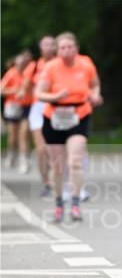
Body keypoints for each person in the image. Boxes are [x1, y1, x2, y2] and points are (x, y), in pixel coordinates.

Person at [36, 32, 103, 223]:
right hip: (54, 116)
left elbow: (95, 84)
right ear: (57, 51)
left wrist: (95, 95)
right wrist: (55, 96)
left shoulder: (85, 64)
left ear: (76, 48)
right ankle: (59, 204)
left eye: (70, 47)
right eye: (63, 48)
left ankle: (75, 202)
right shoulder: (51, 67)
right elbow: (39, 93)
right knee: (58, 166)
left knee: (75, 161)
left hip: (79, 115)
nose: (66, 51)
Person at [22, 35, 58, 193]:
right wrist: (22, 91)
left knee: (55, 148)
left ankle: (59, 180)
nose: (48, 47)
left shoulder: (60, 64)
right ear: (40, 47)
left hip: (57, 107)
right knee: (42, 149)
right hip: (38, 108)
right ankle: (46, 182)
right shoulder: (34, 66)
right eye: (45, 44)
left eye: (51, 44)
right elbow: (25, 86)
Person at [1, 51, 32, 172]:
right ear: (15, 63)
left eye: (23, 63)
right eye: (19, 63)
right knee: (13, 135)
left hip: (27, 106)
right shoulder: (11, 73)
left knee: (24, 133)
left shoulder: (29, 73)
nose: (21, 66)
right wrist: (13, 90)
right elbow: (1, 90)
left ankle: (24, 159)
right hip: (12, 106)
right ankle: (11, 154)